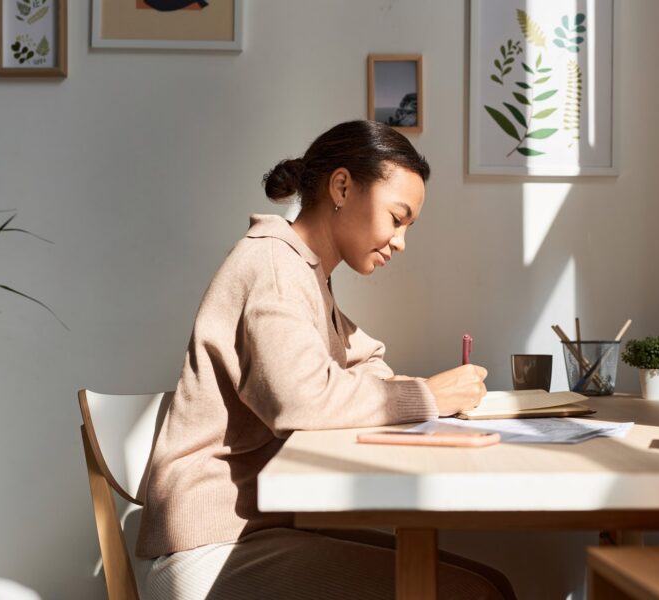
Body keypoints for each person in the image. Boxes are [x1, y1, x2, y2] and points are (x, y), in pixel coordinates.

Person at [136, 120, 516, 599]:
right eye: (397, 218)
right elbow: (300, 400)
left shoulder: (306, 272)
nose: (401, 242)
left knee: (490, 585)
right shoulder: (274, 265)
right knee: (473, 594)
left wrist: (407, 390)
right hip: (205, 546)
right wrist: (425, 395)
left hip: (255, 528)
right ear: (342, 187)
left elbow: (364, 359)